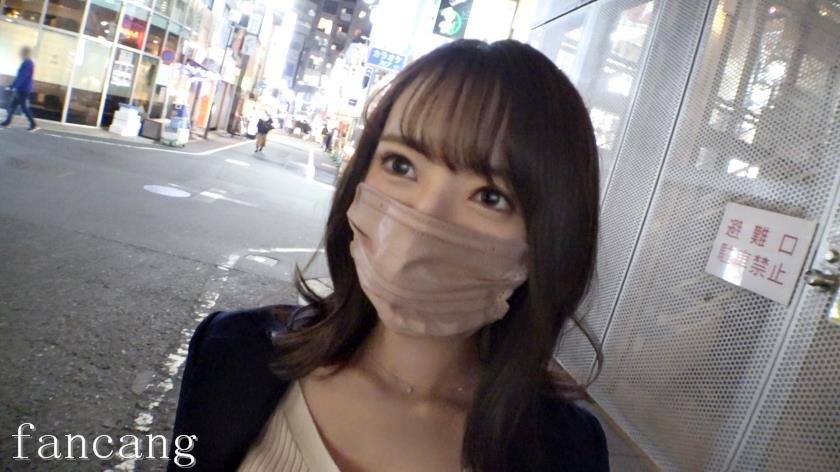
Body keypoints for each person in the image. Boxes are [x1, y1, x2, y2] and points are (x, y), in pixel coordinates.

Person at [169, 39, 607, 471]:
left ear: (549, 240)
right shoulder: (233, 353)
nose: (422, 217)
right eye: (401, 165)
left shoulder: (569, 453)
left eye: (491, 196)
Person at [1, 47, 38, 131]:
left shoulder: (27, 63)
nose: (20, 54)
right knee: (12, 106)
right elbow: (20, 76)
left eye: (21, 52)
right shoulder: (27, 62)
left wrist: (13, 86)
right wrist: (13, 85)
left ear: (25, 53)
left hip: (23, 89)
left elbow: (22, 77)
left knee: (23, 107)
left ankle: (34, 124)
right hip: (21, 88)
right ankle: (7, 122)